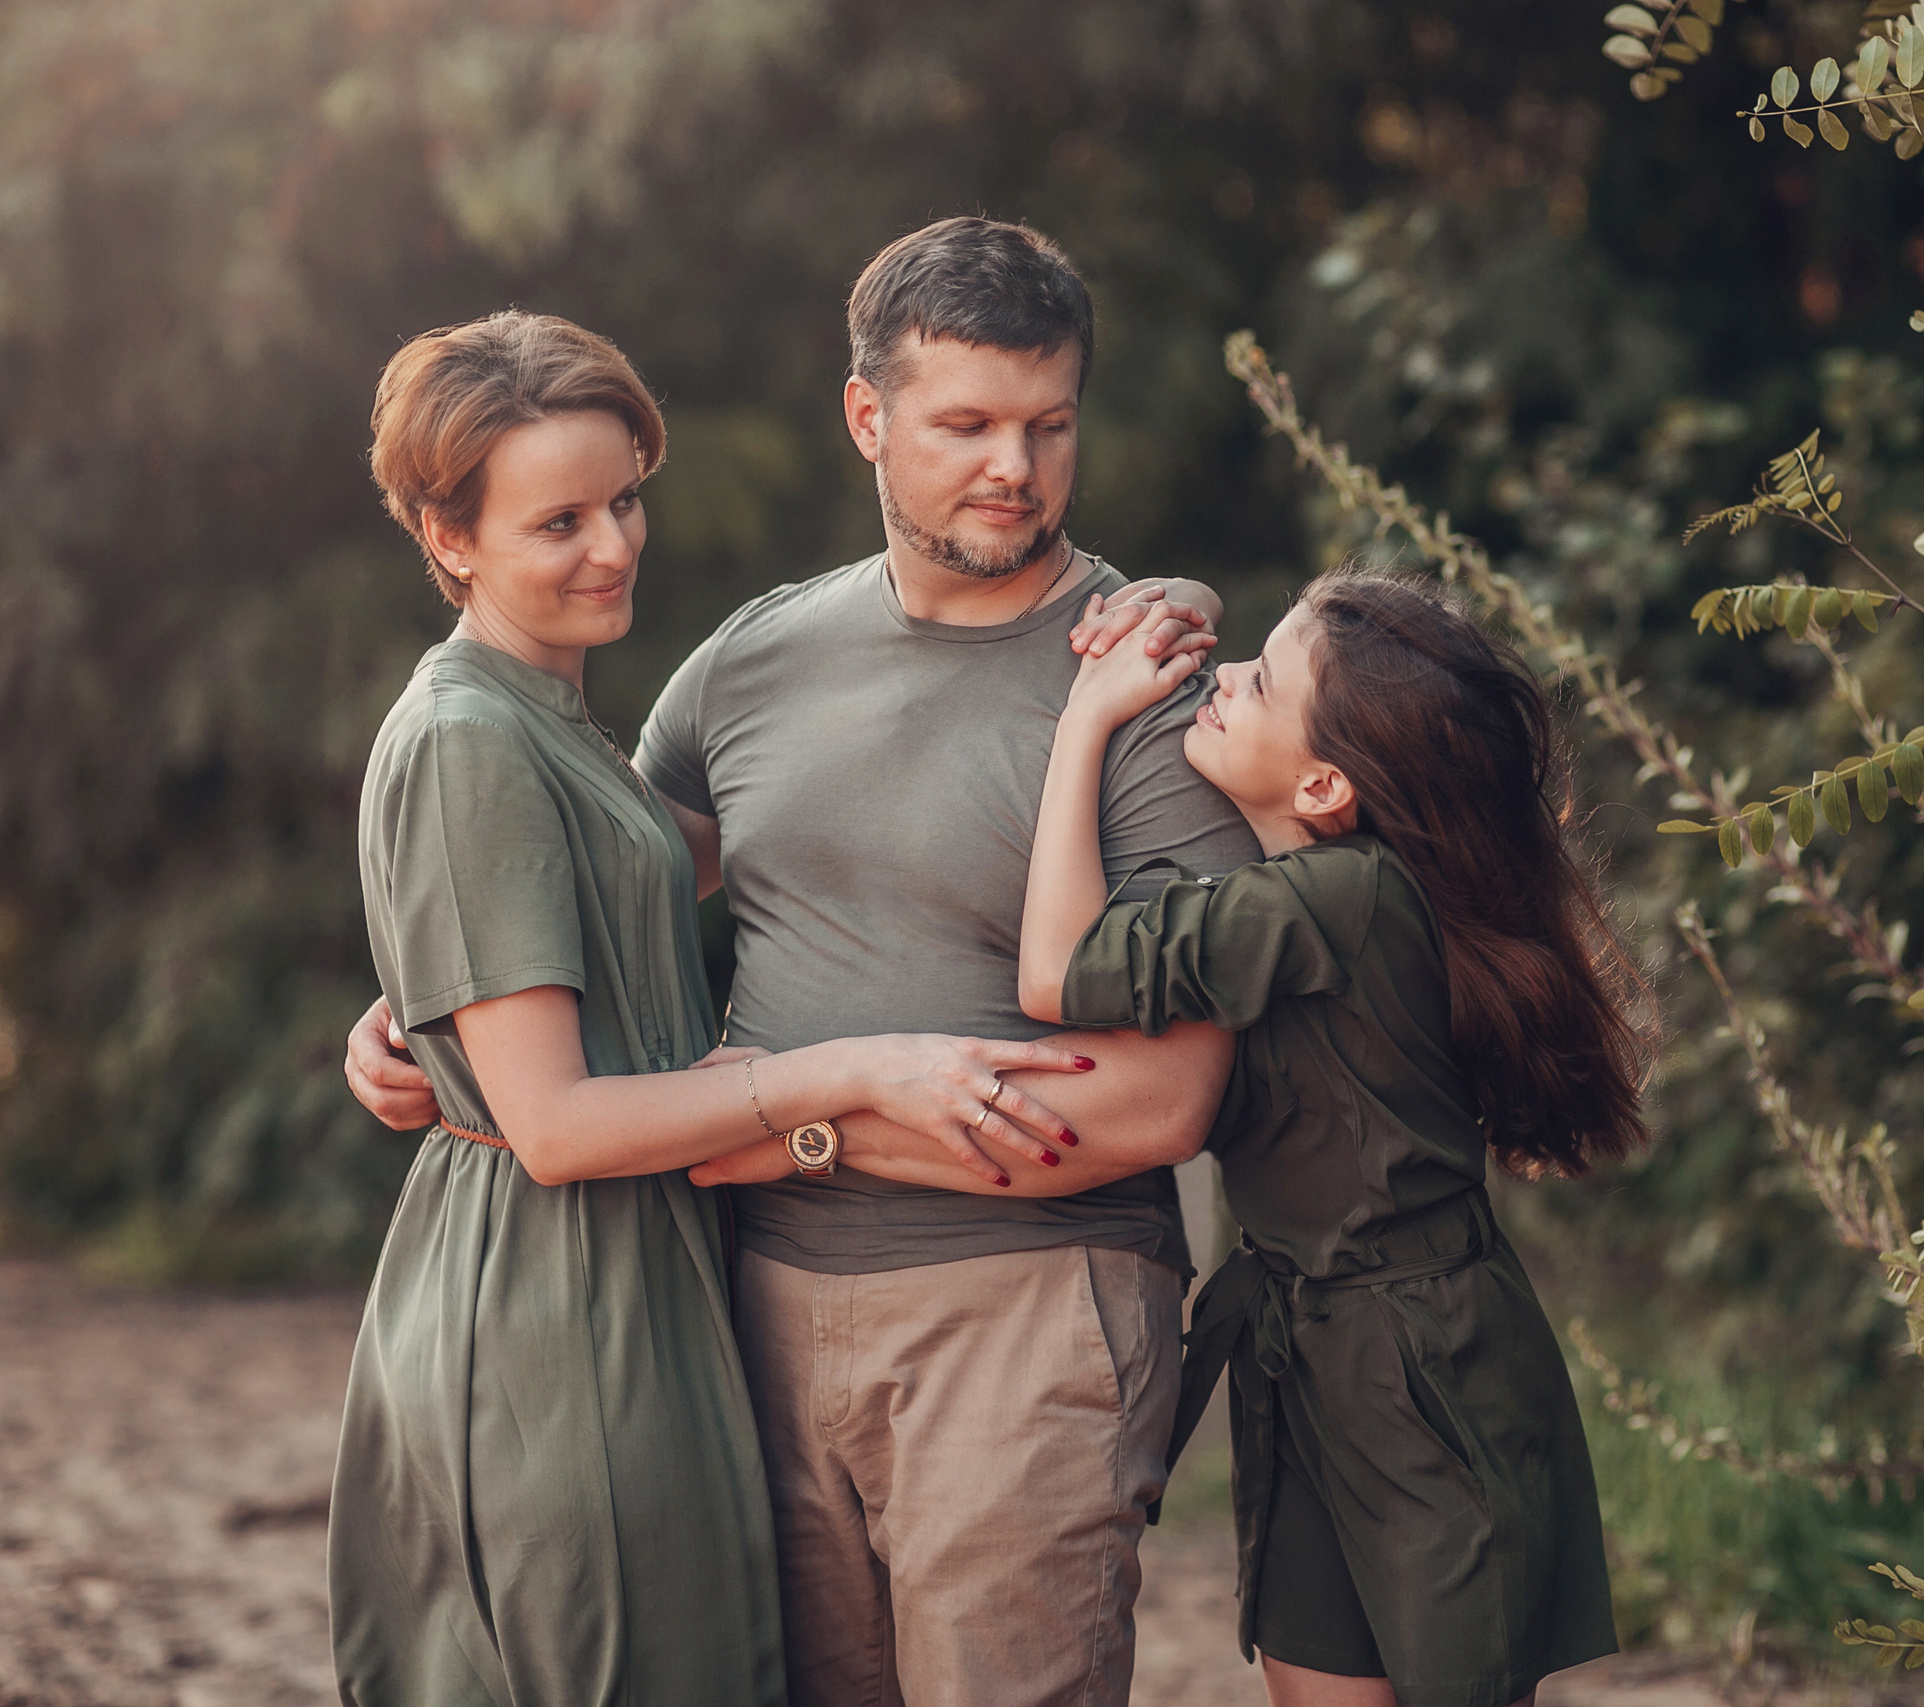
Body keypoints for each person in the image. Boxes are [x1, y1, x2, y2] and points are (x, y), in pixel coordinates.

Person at [345, 221, 1263, 1706]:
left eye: (1048, 423)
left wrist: (813, 1123)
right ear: (869, 417)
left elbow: (1162, 1107)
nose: (1012, 468)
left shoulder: (1149, 687)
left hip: (1020, 1314)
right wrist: (420, 1015)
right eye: (965, 423)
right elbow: (595, 867)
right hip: (740, 1312)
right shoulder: (756, 656)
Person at [1013, 567, 1655, 1707]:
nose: (1220, 681)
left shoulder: (1334, 902)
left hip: (1424, 1364)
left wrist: (1082, 725)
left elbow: (1055, 972)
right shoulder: (1321, 889)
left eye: (1255, 681)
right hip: (1303, 1344)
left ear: (1321, 782)